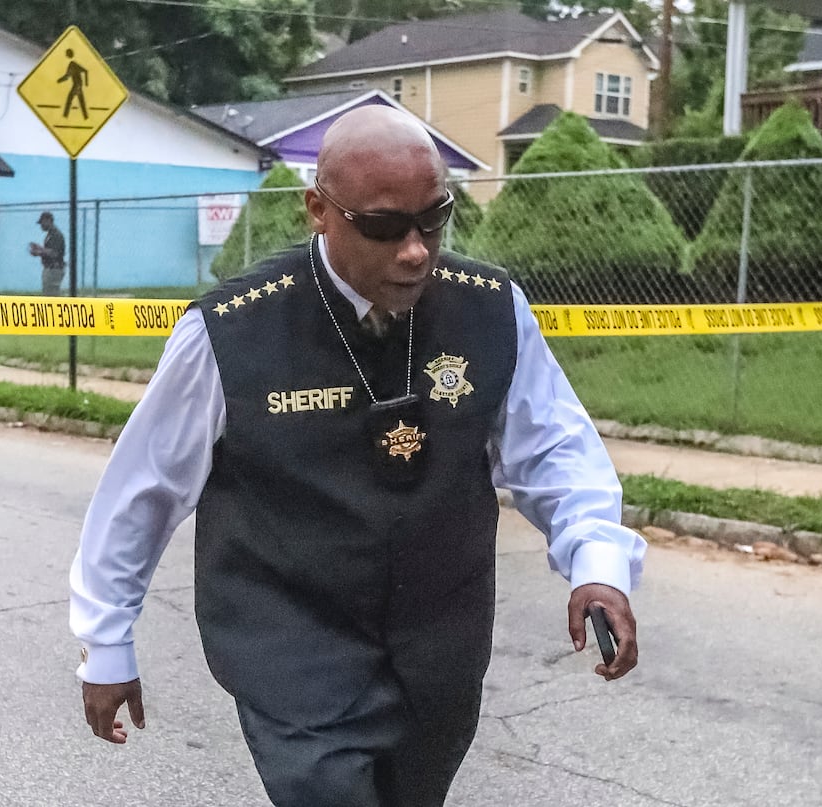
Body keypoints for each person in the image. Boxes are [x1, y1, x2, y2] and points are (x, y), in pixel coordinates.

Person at [69, 106, 645, 807]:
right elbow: (143, 491)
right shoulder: (231, 333)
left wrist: (597, 563)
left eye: (435, 219)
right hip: (292, 646)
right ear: (319, 209)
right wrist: (105, 640)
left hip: (439, 648)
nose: (415, 250)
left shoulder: (491, 308)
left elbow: (555, 445)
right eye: (383, 226)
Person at [28, 211, 66, 295]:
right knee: (48, 293)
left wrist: (38, 252)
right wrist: (39, 248)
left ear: (48, 221)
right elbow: (49, 249)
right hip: (50, 268)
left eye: (42, 223)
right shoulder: (51, 234)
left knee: (51, 294)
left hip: (54, 269)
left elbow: (54, 253)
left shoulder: (56, 234)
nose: (41, 225)